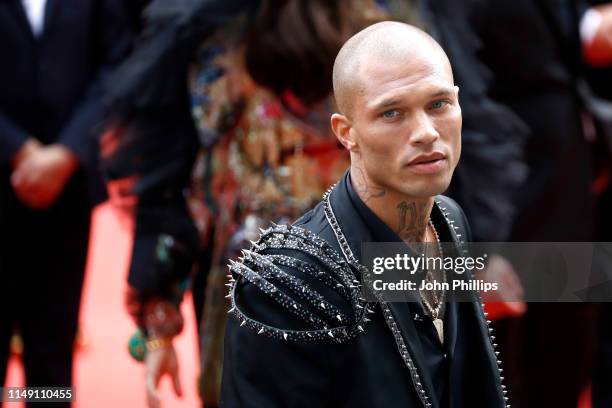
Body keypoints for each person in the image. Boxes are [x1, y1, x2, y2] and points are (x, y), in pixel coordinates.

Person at [221, 21, 507, 407]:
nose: (425, 132)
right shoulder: (283, 284)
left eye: (438, 104)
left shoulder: (449, 219)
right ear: (345, 132)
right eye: (392, 113)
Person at [0, 0, 131, 403]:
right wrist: (18, 149)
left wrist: (68, 152)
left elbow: (117, 62)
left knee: (52, 352)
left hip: (67, 190)